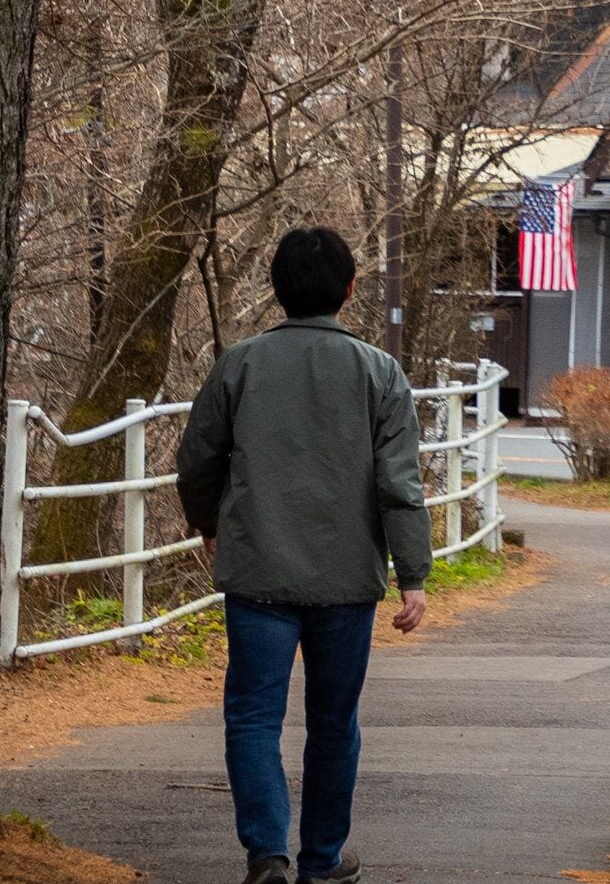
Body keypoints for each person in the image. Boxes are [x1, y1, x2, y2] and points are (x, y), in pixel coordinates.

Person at [177, 225, 435, 884]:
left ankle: (267, 854)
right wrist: (414, 576)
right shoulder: (380, 372)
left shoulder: (240, 363)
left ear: (277, 288)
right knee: (333, 721)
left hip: (258, 568)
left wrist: (209, 524)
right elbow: (398, 485)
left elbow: (197, 458)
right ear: (349, 290)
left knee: (254, 716)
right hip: (346, 578)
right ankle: (323, 860)